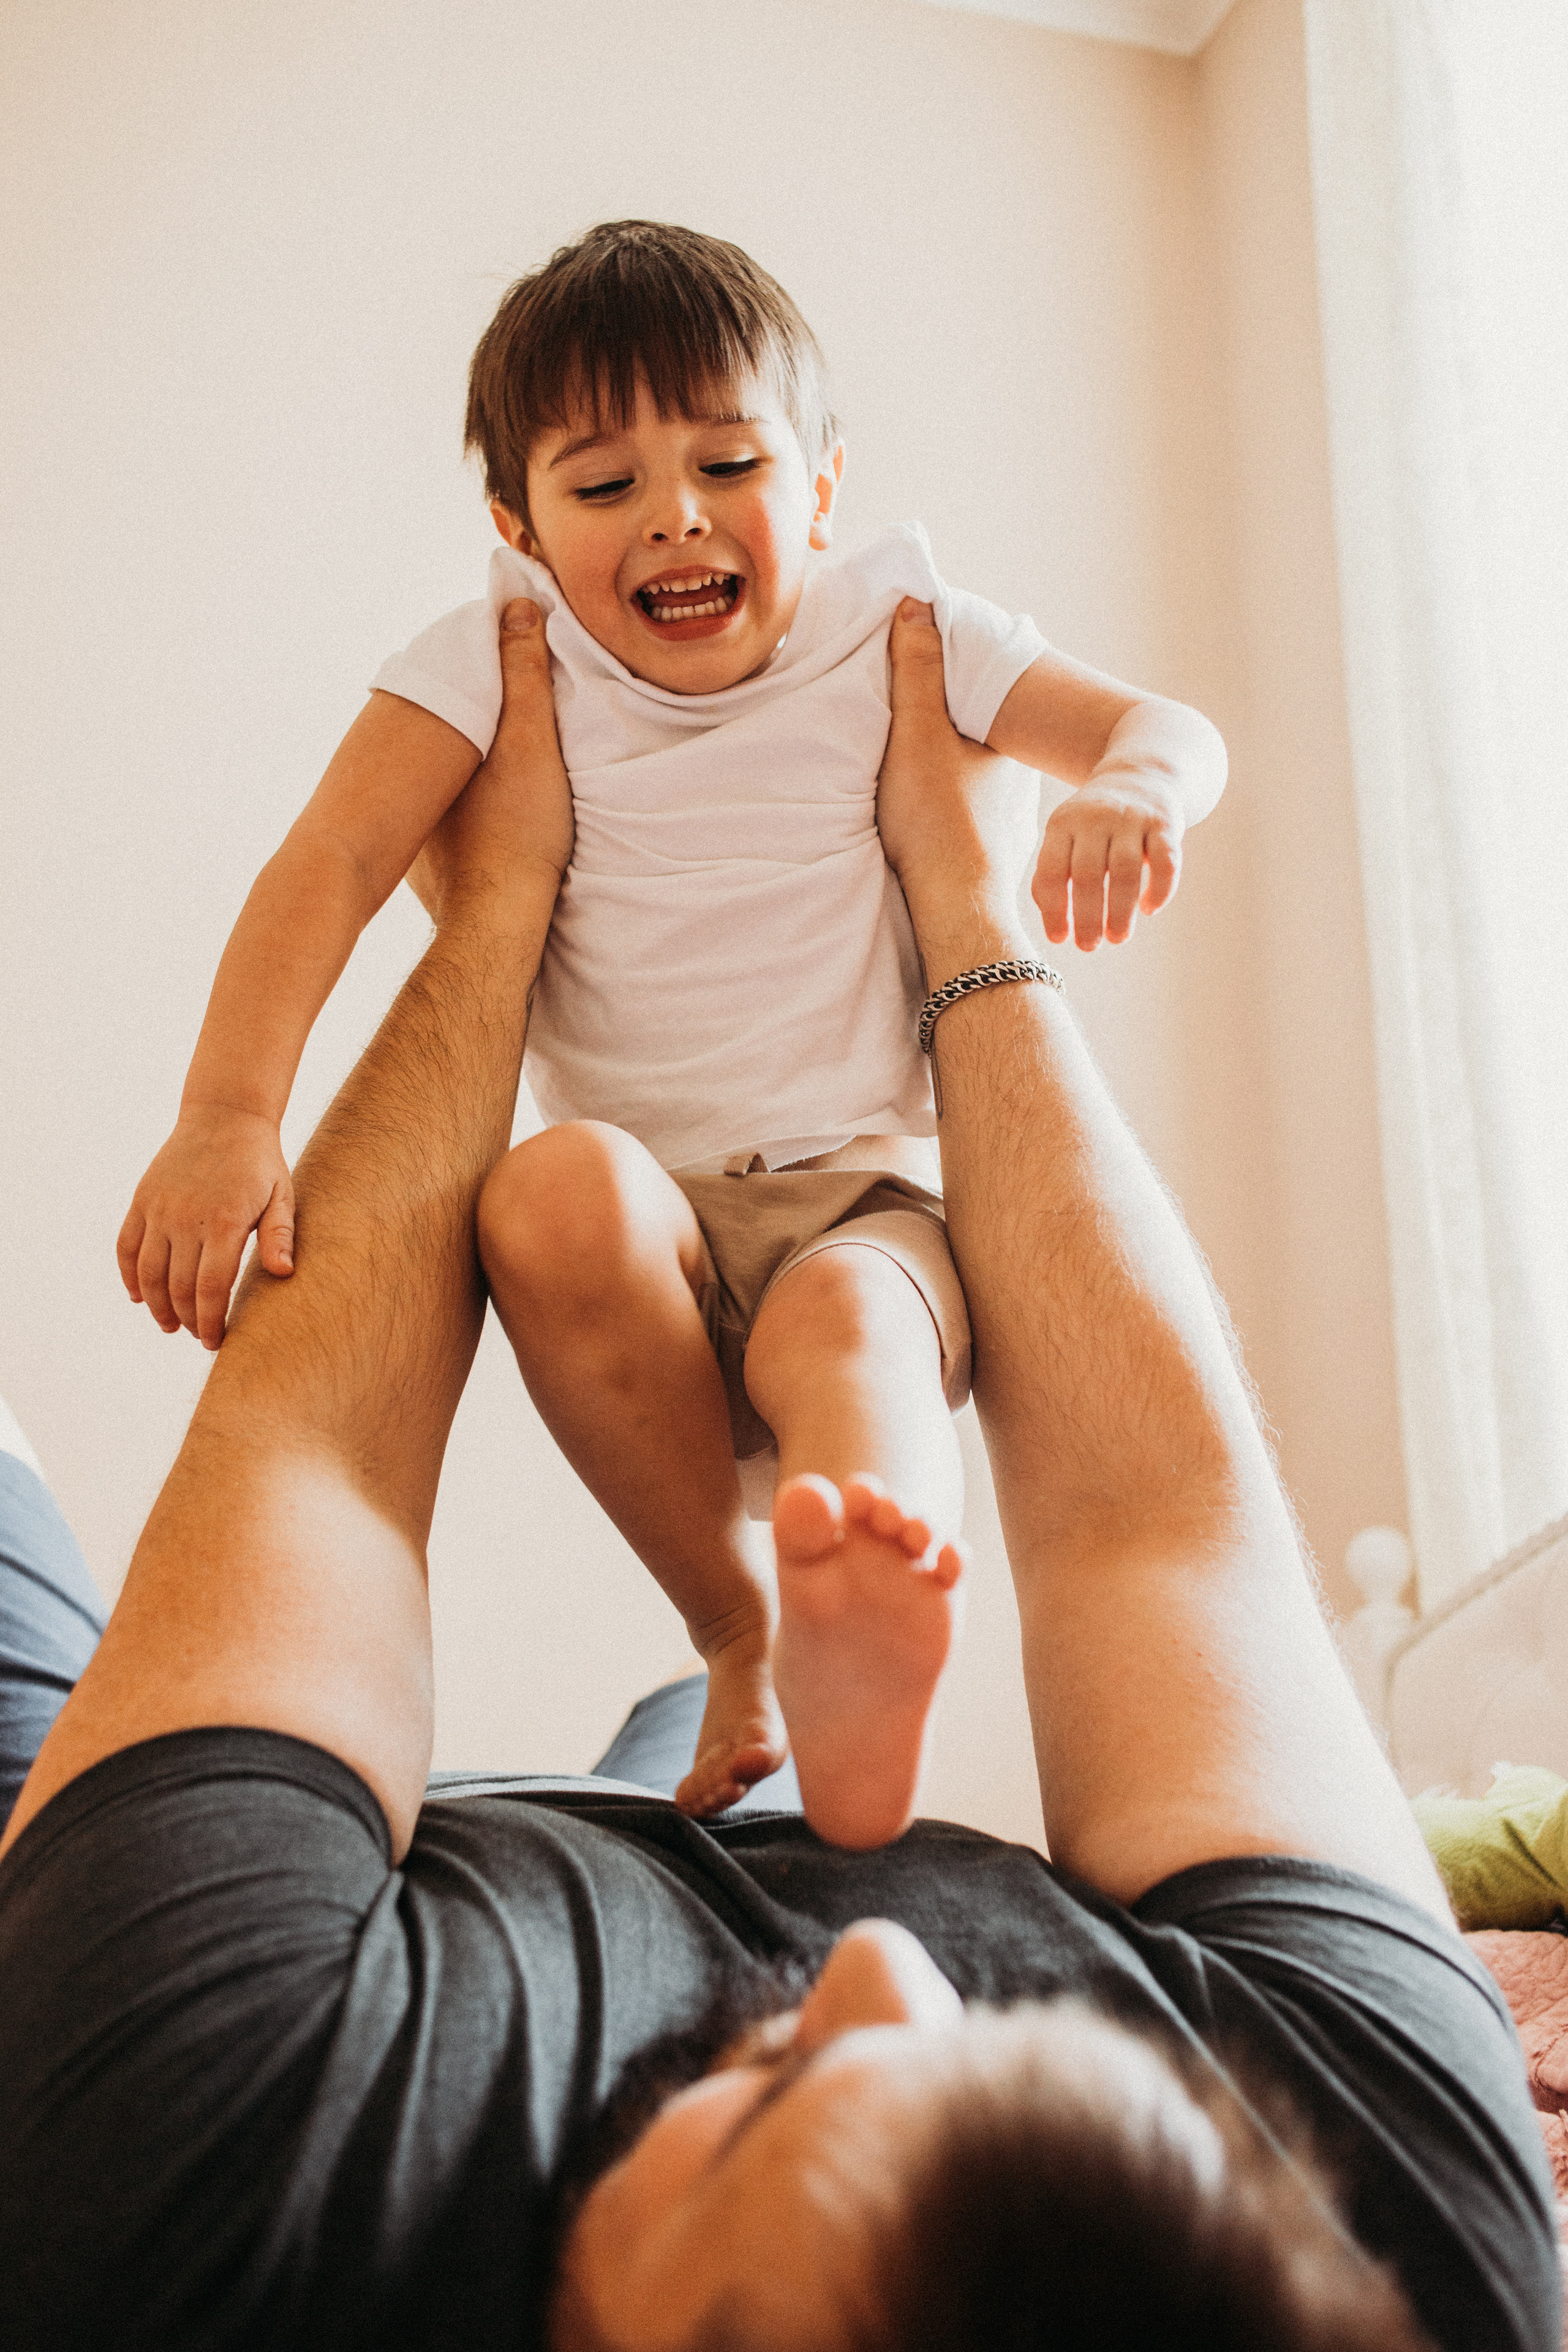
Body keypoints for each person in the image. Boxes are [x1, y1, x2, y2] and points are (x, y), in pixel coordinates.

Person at [0, 605, 1557, 2352]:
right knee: (711, 1711)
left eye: (767, 2108)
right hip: (676, 1747)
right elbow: (1151, 1544)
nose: (877, 1978)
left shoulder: (201, 2205)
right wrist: (969, 905)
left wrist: (496, 917)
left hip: (280, 1923)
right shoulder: (1403, 2250)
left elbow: (320, 1464)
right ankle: (730, 1663)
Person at [115, 220, 1228, 1839]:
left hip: (865, 1192)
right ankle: (743, 1628)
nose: (677, 517)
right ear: (517, 528)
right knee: (543, 1192)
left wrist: (1131, 787)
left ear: (824, 487)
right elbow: (331, 864)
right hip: (652, 1220)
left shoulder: (899, 622)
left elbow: (1164, 724)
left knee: (852, 1330)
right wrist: (229, 1113)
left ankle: (869, 1643)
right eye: (604, 484)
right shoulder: (498, 664)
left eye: (727, 462)